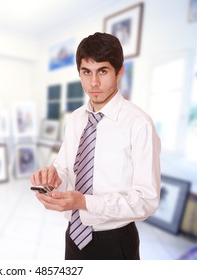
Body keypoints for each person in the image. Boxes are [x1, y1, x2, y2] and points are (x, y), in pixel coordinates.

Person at [30, 32, 161, 260]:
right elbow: (63, 167)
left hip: (115, 242)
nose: (94, 83)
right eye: (86, 72)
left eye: (103, 71)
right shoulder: (75, 118)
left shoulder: (139, 124)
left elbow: (146, 201)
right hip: (73, 235)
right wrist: (51, 176)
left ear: (119, 71)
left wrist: (85, 202)